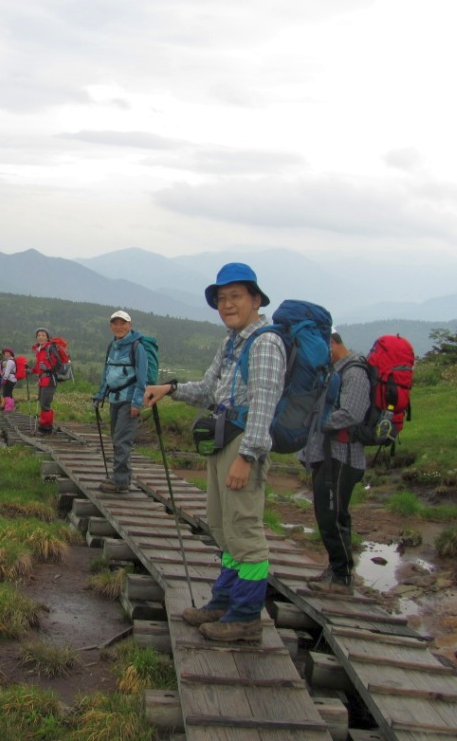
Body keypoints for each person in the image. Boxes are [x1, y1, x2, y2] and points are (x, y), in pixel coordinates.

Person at [144, 262, 285, 644]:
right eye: (221, 298)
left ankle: (245, 616)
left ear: (256, 299)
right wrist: (170, 389)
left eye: (235, 296)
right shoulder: (231, 343)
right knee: (223, 528)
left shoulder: (266, 342)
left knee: (245, 532)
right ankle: (223, 602)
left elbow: (265, 403)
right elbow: (209, 390)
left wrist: (249, 455)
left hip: (242, 444)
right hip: (223, 441)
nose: (227, 304)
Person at [299, 327, 370, 595]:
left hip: (342, 457)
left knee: (334, 517)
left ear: (331, 342)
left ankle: (342, 577)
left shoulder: (354, 372)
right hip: (329, 456)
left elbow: (352, 413)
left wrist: (315, 421)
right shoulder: (336, 371)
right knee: (327, 515)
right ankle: (336, 570)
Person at [92, 310, 148, 493]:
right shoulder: (112, 346)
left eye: (122, 323)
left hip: (129, 400)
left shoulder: (137, 347)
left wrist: (137, 403)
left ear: (129, 325)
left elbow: (142, 378)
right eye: (115, 324)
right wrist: (100, 395)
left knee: (121, 440)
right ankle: (121, 476)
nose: (119, 327)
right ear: (110, 327)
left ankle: (121, 481)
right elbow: (106, 373)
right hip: (114, 399)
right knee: (117, 438)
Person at [31, 328, 59, 433]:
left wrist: (47, 368)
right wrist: (31, 370)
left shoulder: (50, 348)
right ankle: (44, 424)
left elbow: (57, 364)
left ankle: (47, 426)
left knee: (45, 403)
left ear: (47, 337)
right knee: (42, 402)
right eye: (39, 335)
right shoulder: (40, 349)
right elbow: (38, 367)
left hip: (49, 379)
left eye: (43, 335)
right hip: (42, 379)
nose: (40, 337)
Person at [0, 348, 18, 412]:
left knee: (6, 394)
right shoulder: (9, 361)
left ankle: (9, 407)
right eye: (5, 353)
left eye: (8, 353)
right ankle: (10, 406)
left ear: (11, 354)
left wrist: (4, 378)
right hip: (11, 379)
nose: (6, 354)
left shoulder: (10, 362)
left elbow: (7, 371)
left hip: (9, 379)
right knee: (9, 393)